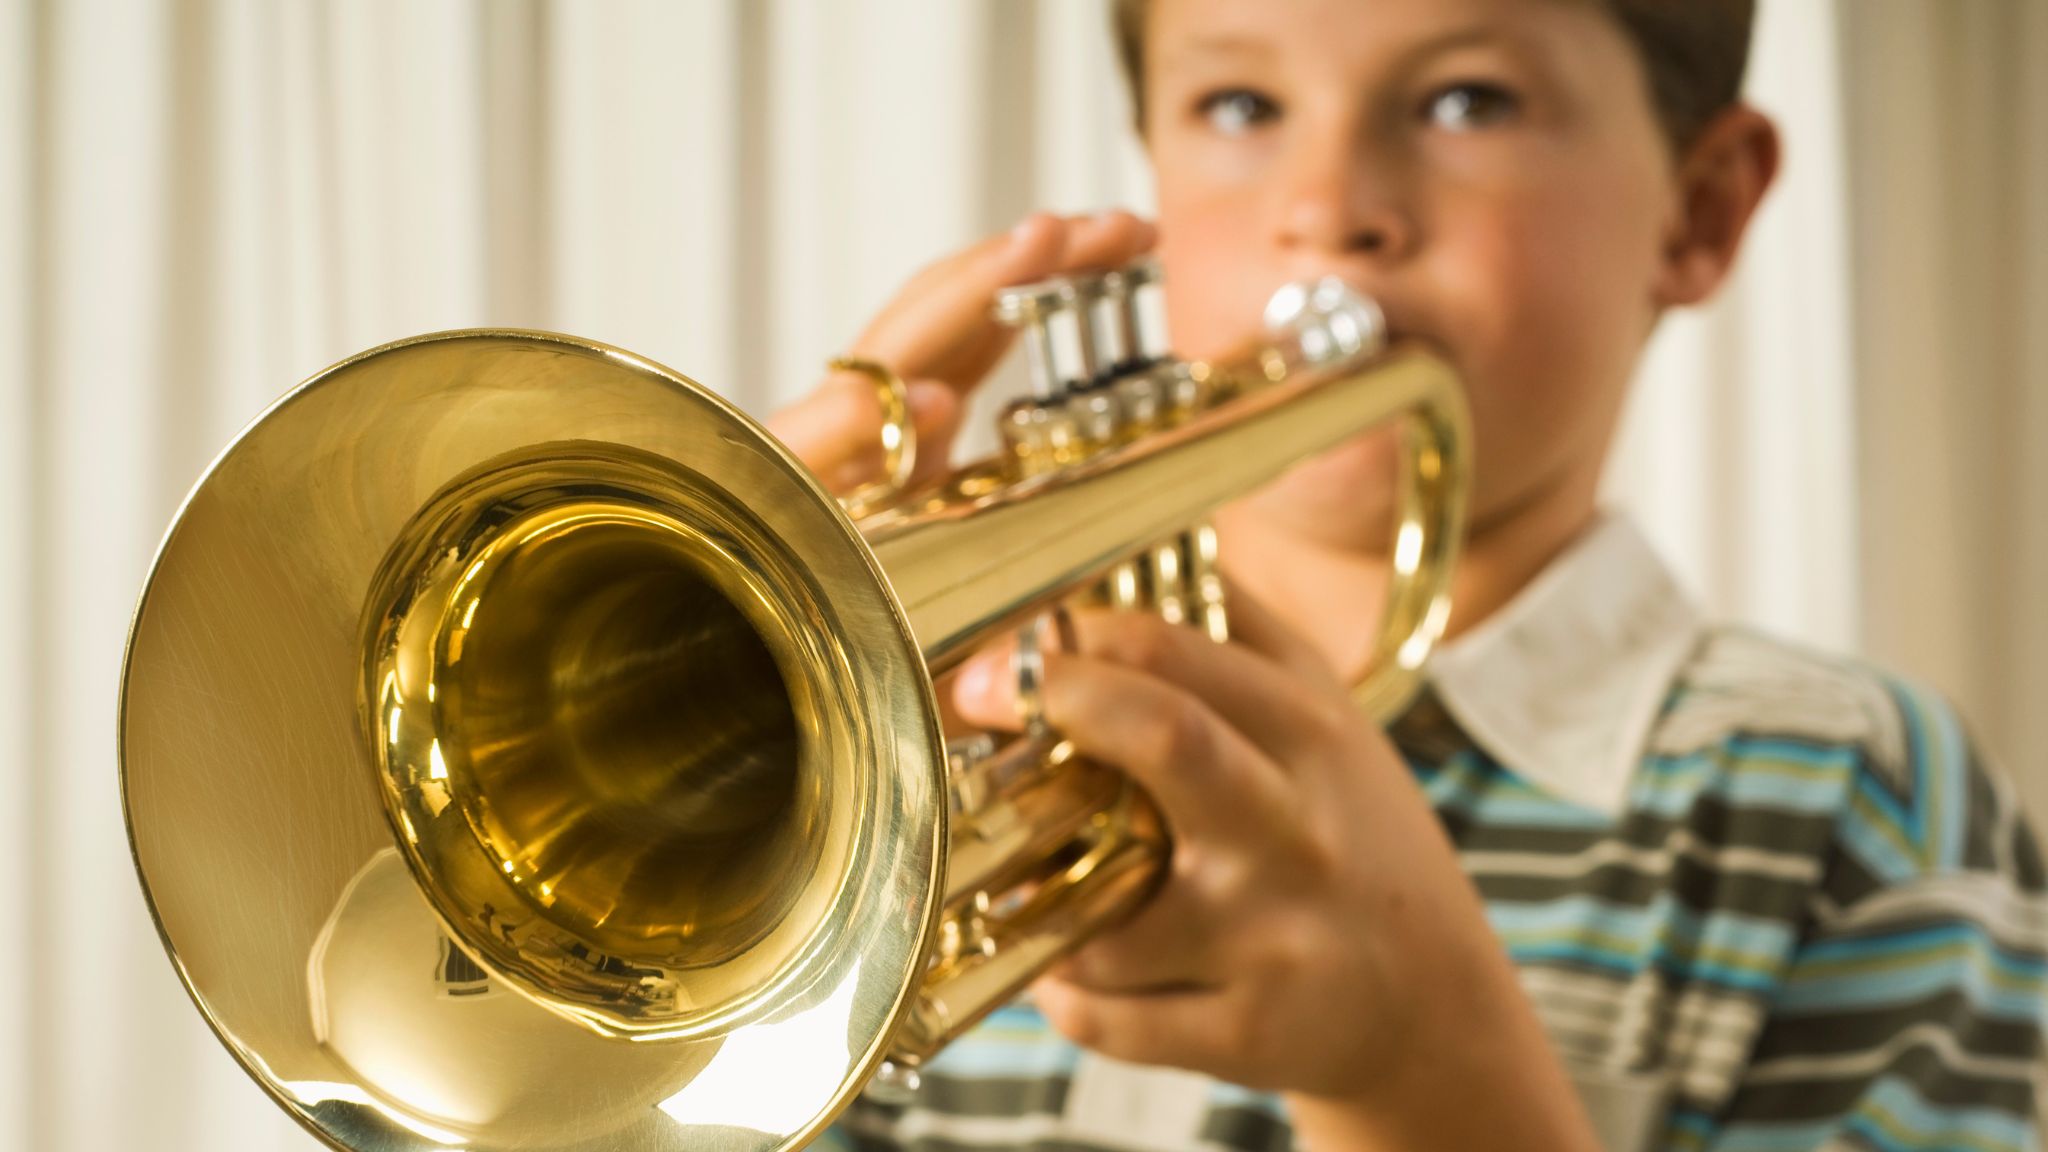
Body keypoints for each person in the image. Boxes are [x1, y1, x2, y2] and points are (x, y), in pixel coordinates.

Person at [769, 1, 2048, 1149]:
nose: (1327, 208)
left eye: (1465, 100)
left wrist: (1417, 1065)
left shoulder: (1847, 796)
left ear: (1699, 208)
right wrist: (774, 708)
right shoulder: (942, 754)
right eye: (1240, 105)